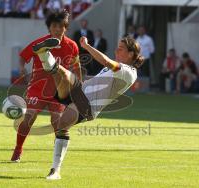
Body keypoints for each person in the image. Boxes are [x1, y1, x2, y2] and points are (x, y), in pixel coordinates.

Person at [32, 36, 144, 179]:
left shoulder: (128, 72)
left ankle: (55, 171)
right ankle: (43, 53)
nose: (116, 50)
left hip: (88, 106)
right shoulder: (114, 69)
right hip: (80, 93)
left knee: (61, 125)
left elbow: (105, 61)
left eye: (120, 48)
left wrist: (86, 46)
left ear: (130, 54)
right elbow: (100, 78)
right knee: (63, 75)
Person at [11, 10, 82, 163]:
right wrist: (22, 68)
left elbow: (77, 67)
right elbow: (23, 56)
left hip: (59, 89)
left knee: (57, 122)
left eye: (61, 26)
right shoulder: (40, 43)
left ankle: (57, 158)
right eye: (54, 26)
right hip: (38, 88)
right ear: (49, 27)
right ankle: (18, 150)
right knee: (29, 117)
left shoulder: (72, 46)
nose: (57, 29)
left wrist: (79, 86)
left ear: (66, 28)